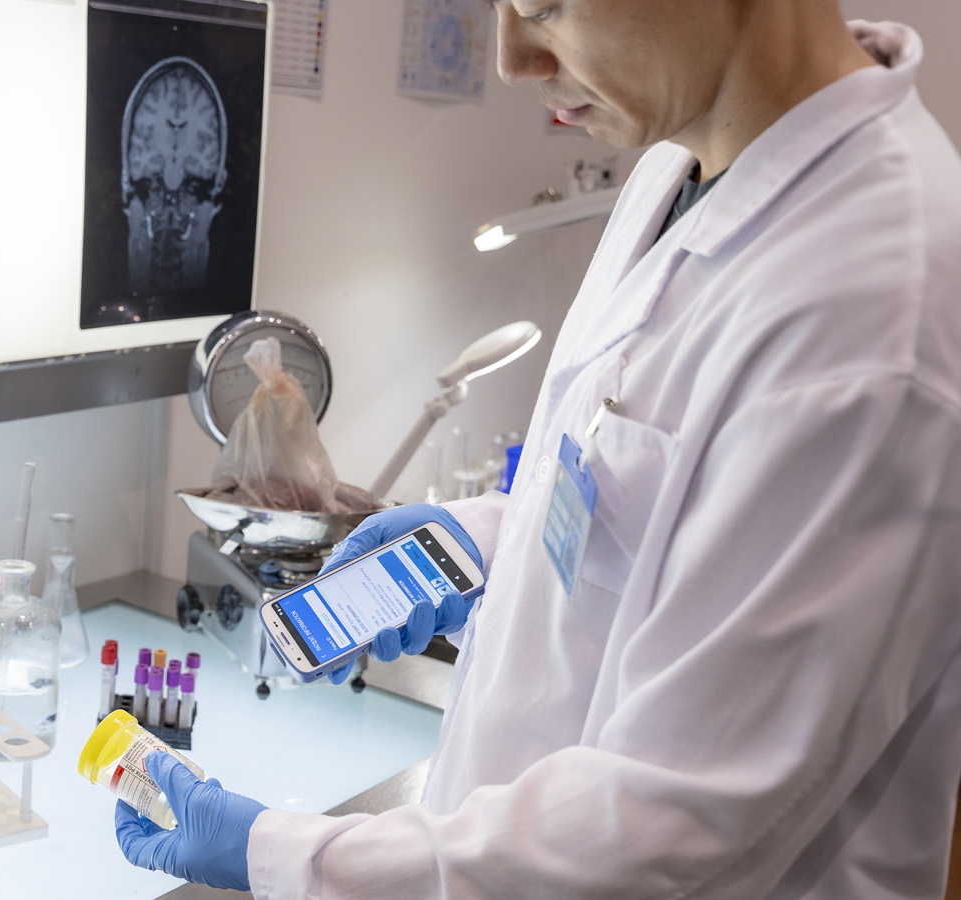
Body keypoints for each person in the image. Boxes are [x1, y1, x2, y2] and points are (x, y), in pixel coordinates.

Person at [115, 1, 961, 896]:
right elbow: (655, 495)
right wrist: (481, 540)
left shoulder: (873, 319)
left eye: (545, 4)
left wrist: (288, 857)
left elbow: (676, 831)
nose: (512, 58)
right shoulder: (680, 165)